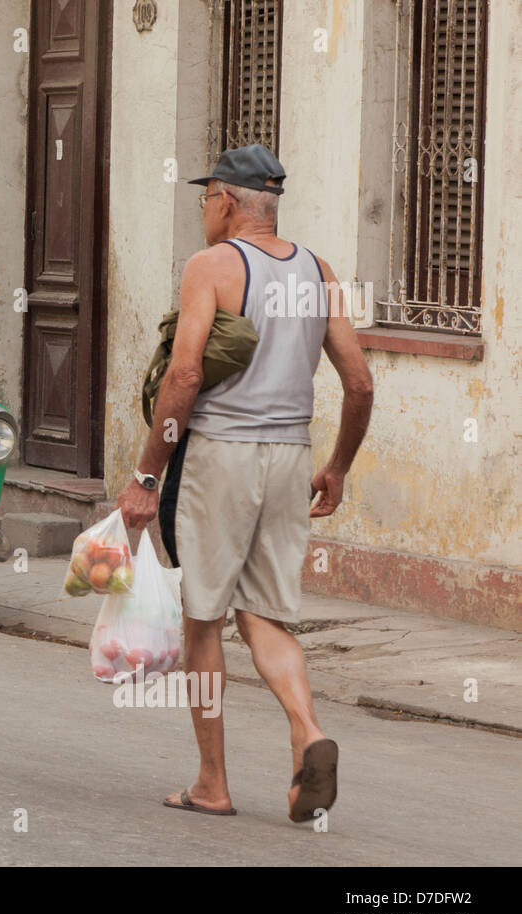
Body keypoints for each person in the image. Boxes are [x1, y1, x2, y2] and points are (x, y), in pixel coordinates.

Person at [115, 144, 374, 822]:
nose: (204, 210)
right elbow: (359, 381)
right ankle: (308, 732)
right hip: (292, 455)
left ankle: (211, 784)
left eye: (206, 198)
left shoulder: (212, 266)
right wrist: (338, 466)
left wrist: (147, 476)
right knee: (265, 613)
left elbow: (185, 376)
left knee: (204, 619)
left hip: (221, 455)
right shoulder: (319, 272)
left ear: (226, 202)